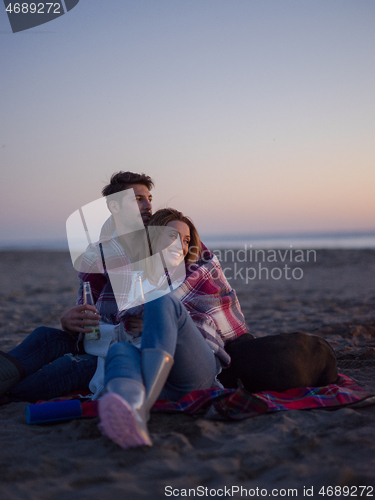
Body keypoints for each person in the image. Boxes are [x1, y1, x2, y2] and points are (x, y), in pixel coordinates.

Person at [98, 208, 248, 449]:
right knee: (119, 350)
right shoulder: (130, 278)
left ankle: (141, 409)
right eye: (171, 236)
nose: (181, 244)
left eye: (187, 240)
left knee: (162, 301)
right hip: (153, 378)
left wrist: (160, 319)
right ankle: (129, 409)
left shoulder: (201, 273)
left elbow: (214, 320)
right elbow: (108, 321)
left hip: (193, 371)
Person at [0, 171, 155, 403]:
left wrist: (153, 320)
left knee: (72, 366)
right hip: (99, 337)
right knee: (45, 336)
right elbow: (87, 307)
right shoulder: (98, 252)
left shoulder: (166, 240)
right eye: (137, 199)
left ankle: (10, 395)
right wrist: (70, 322)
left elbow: (184, 299)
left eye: (149, 198)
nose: (147, 205)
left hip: (134, 344)